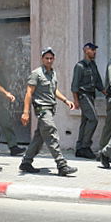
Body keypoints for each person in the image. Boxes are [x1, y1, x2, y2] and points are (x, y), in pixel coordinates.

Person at [19, 48, 78, 176]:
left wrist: (65, 100)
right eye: (47, 58)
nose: (49, 60)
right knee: (51, 134)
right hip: (42, 110)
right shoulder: (37, 74)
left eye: (51, 58)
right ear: (42, 59)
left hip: (50, 109)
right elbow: (29, 93)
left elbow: (54, 90)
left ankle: (26, 162)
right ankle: (62, 165)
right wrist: (25, 112)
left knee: (39, 138)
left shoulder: (52, 73)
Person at [71, 42, 104, 159]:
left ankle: (79, 148)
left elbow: (98, 82)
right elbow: (74, 85)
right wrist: (76, 101)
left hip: (91, 95)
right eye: (92, 49)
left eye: (95, 50)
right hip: (83, 95)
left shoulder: (93, 65)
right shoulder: (80, 66)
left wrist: (107, 93)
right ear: (86, 50)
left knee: (85, 122)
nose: (94, 52)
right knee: (93, 119)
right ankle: (85, 146)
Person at [0, 50, 25, 156]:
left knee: (6, 123)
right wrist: (6, 94)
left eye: (1, 60)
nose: (1, 62)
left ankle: (13, 147)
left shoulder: (0, 72)